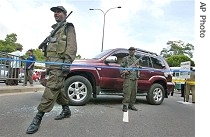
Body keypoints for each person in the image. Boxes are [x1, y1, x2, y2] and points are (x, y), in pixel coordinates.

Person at [26, 6, 77, 134]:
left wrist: (67, 62)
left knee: (51, 89)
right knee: (58, 88)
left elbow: (72, 46)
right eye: (55, 12)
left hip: (59, 66)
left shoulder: (68, 27)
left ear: (65, 14)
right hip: (51, 65)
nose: (56, 14)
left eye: (58, 12)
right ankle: (66, 110)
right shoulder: (54, 30)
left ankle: (38, 118)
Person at [120, 47, 141, 112]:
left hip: (135, 78)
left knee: (134, 93)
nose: (131, 51)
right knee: (127, 92)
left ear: (134, 51)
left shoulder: (136, 59)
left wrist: (138, 68)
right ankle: (125, 105)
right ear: (129, 51)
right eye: (130, 50)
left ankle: (131, 105)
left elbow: (139, 69)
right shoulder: (125, 59)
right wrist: (124, 72)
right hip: (128, 78)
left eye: (133, 50)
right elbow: (121, 67)